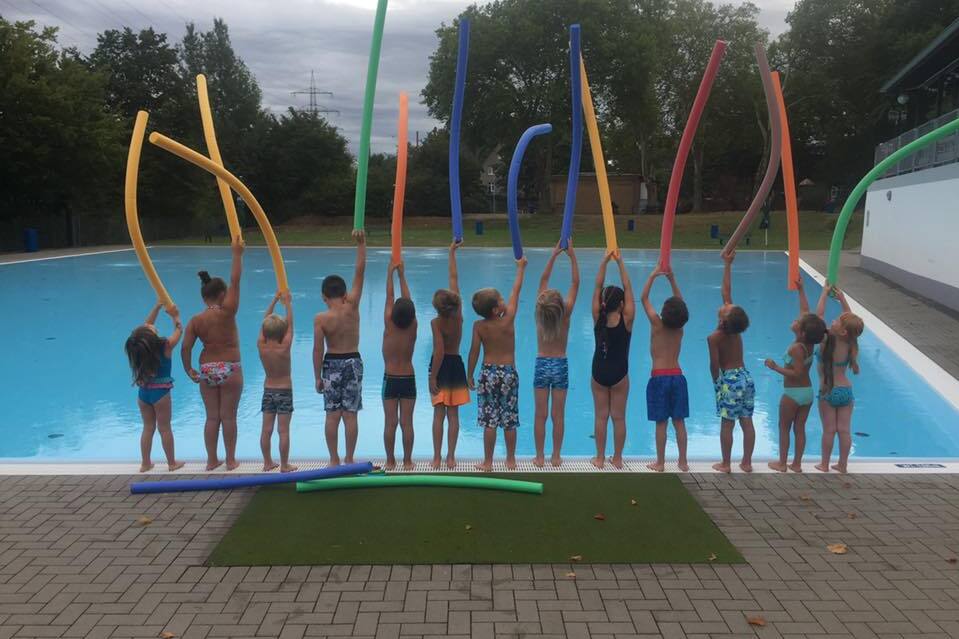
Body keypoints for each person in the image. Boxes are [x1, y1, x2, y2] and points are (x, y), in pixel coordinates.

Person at [181, 237, 244, 471]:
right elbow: (236, 280)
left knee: (212, 418)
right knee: (228, 417)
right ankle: (230, 460)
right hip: (230, 368)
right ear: (221, 295)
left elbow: (186, 348)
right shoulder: (228, 312)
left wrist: (189, 369)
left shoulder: (196, 320)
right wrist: (237, 254)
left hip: (208, 369)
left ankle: (211, 460)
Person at [467, 256, 528, 471]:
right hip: (508, 373)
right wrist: (521, 268)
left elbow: (474, 352)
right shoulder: (507, 319)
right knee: (509, 419)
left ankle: (488, 462)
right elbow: (516, 290)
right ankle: (511, 460)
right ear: (495, 310)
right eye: (500, 300)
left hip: (487, 373)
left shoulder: (478, 326)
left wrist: (469, 374)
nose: (505, 301)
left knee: (489, 420)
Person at [313, 231, 366, 467]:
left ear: (324, 297)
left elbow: (316, 351)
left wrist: (317, 377)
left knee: (332, 415)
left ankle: (333, 460)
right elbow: (359, 272)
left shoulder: (321, 318)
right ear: (344, 294)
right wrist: (361, 244)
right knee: (350, 414)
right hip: (353, 362)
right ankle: (349, 458)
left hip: (331, 364)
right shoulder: (352, 307)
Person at [764, 278, 827, 473]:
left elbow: (797, 372)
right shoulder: (809, 343)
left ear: (801, 332)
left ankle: (782, 464)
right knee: (799, 428)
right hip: (807, 393)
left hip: (792, 394)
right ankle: (797, 464)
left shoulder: (796, 348)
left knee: (784, 428)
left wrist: (775, 367)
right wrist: (801, 290)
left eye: (797, 322)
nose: (795, 320)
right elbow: (806, 314)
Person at [532, 242, 579, 468]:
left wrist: (553, 254)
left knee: (540, 414)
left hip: (542, 364)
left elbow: (542, 280)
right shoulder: (566, 313)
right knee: (557, 415)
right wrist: (571, 257)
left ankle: (540, 456)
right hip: (560, 365)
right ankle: (556, 456)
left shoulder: (540, 314)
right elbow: (575, 282)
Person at [708, 250, 755, 473]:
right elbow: (726, 292)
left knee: (727, 423)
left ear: (725, 319)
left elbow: (714, 365)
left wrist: (716, 383)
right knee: (747, 420)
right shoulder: (734, 329)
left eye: (728, 307)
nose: (727, 303)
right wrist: (728, 265)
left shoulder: (715, 337)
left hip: (730, 380)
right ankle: (746, 462)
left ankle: (726, 464)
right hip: (746, 376)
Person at [125, 302, 185, 473]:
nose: (151, 326)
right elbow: (179, 330)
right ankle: (172, 463)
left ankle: (145, 463)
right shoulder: (164, 346)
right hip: (161, 394)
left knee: (148, 427)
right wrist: (175, 316)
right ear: (151, 336)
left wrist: (157, 307)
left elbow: (145, 327)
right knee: (164, 428)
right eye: (151, 328)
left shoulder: (138, 347)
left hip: (143, 394)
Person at [640, 265, 690, 472]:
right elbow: (682, 304)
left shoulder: (656, 324)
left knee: (661, 423)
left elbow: (644, 299)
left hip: (659, 378)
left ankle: (660, 463)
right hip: (677, 377)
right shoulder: (679, 330)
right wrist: (672, 280)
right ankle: (683, 462)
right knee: (679, 422)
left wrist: (652, 276)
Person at [590, 250, 635, 469]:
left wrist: (604, 262)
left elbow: (597, 287)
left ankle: (599, 458)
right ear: (622, 304)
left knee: (601, 417)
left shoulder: (597, 317)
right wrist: (620, 263)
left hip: (598, 372)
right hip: (619, 374)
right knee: (619, 417)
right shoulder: (627, 319)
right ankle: (617, 459)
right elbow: (629, 289)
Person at [815, 286, 864, 474]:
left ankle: (824, 464)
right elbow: (851, 320)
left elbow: (819, 316)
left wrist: (824, 294)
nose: (832, 320)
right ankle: (842, 465)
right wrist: (843, 298)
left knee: (829, 430)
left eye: (836, 320)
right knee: (844, 430)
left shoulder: (826, 340)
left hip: (827, 390)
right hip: (846, 391)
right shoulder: (850, 342)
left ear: (842, 331)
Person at [429, 243, 469, 469]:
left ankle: (436, 457)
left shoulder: (436, 323)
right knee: (454, 415)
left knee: (438, 415)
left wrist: (433, 376)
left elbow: (438, 351)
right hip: (456, 365)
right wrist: (452, 253)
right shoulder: (459, 317)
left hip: (441, 367)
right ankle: (451, 457)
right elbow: (454, 279)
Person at [382, 261, 417, 471]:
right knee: (407, 423)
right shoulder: (413, 325)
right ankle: (407, 461)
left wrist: (390, 275)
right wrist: (402, 275)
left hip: (390, 378)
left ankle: (390, 461)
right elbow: (408, 301)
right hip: (408, 378)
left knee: (390, 423)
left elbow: (389, 297)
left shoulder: (389, 322)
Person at [257, 291, 296, 472]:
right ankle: (285, 464)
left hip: (268, 390)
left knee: (266, 429)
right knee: (283, 431)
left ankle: (267, 462)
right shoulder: (284, 346)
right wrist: (287, 303)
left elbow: (263, 323)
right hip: (284, 391)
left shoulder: (261, 345)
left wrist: (273, 299)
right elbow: (291, 325)